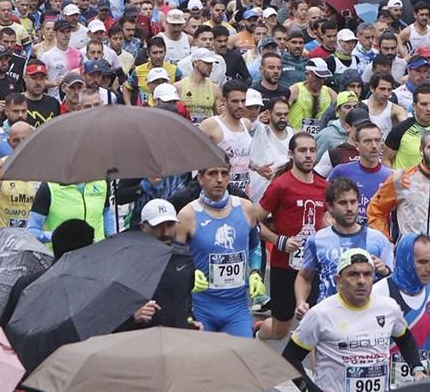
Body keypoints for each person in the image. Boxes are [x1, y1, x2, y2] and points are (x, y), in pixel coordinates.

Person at [283, 250, 426, 392]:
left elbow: (405, 339)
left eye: (367, 274)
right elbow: (289, 358)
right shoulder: (320, 314)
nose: (361, 281)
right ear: (338, 280)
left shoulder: (389, 307)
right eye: (353, 274)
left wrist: (417, 368)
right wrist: (310, 389)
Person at [176, 164, 266, 337]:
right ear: (200, 178)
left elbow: (255, 246)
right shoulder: (187, 215)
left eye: (224, 174)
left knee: (240, 360)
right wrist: (189, 273)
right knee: (205, 363)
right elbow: (175, 261)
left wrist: (255, 272)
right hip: (202, 308)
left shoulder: (246, 208)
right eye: (212, 174)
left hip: (237, 308)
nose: (219, 179)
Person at [255, 132, 328, 340]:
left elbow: (326, 218)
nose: (308, 155)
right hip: (285, 266)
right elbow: (254, 221)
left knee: (317, 326)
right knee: (280, 331)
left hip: (314, 267)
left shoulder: (324, 186)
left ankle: (312, 372)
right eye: (302, 150)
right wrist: (279, 241)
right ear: (291, 154)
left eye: (312, 150)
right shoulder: (281, 185)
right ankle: (259, 331)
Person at [297, 178, 393, 319]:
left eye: (353, 202)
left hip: (368, 318)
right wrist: (301, 302)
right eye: (343, 203)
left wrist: (385, 271)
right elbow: (304, 277)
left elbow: (395, 281)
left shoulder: (378, 240)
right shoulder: (316, 240)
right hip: (328, 318)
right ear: (330, 207)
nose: (349, 208)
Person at [120, 200, 198, 330]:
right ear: (143, 226)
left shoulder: (184, 257)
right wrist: (133, 317)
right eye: (158, 225)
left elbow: (185, 298)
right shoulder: (127, 262)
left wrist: (190, 321)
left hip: (178, 338)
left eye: (170, 224)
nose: (165, 232)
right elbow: (111, 311)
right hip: (141, 340)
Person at [372, 233, 430, 385]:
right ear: (407, 261)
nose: (429, 268)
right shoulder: (378, 292)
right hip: (385, 382)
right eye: (422, 262)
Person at [328, 121, 393, 223]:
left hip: (379, 235)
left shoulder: (391, 176)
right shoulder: (341, 171)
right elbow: (324, 201)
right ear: (357, 146)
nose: (374, 145)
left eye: (377, 140)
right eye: (367, 141)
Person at [200, 80, 253, 195]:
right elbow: (197, 161)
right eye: (235, 101)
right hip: (220, 190)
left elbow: (244, 156)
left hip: (244, 188)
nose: (240, 105)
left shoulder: (247, 124)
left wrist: (258, 168)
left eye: (243, 101)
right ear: (224, 101)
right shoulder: (210, 125)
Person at [385, 84, 430, 171]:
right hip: (405, 182)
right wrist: (394, 180)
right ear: (414, 106)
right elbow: (386, 159)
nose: (428, 108)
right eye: (424, 104)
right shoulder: (400, 129)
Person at [288, 57, 335, 136]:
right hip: (296, 135)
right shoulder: (295, 90)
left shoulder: (328, 92)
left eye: (323, 78)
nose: (320, 81)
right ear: (307, 74)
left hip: (320, 136)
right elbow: (282, 111)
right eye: (317, 77)